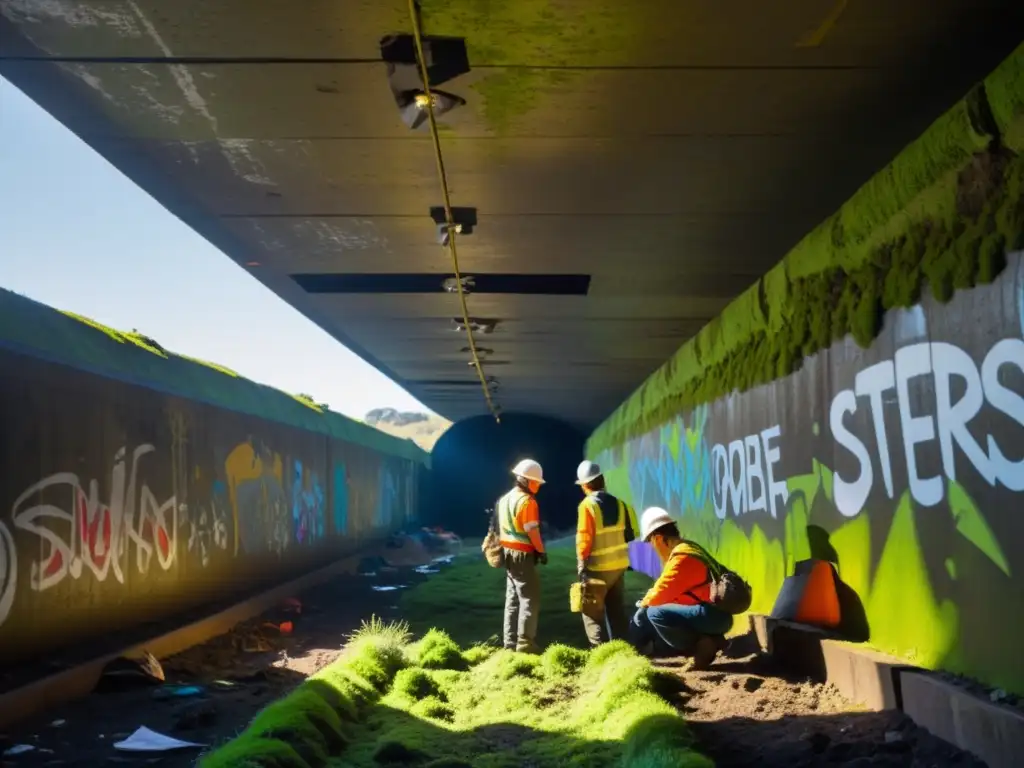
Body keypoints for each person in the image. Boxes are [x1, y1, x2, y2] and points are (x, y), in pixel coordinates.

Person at [630, 507, 731, 669]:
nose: (652, 548)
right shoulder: (688, 547)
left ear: (658, 538)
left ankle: (701, 647)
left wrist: (642, 605)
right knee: (656, 610)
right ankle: (710, 639)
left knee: (654, 613)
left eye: (651, 542)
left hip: (712, 616)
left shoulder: (681, 558)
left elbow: (660, 594)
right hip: (716, 613)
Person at [574, 460, 635, 646]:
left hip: (597, 567)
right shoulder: (621, 504)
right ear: (602, 480)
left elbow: (584, 538)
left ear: (585, 485)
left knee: (592, 613)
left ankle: (600, 652)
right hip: (618, 567)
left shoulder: (587, 506)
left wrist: (582, 566)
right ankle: (624, 649)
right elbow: (630, 535)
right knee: (617, 611)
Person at [496, 458, 548, 653]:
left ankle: (509, 643)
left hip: (507, 553)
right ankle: (525, 644)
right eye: (536, 482)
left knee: (512, 599)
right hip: (522, 554)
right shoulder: (528, 502)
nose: (538, 486)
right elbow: (532, 531)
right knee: (529, 598)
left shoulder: (505, 499)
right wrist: (541, 551)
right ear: (526, 480)